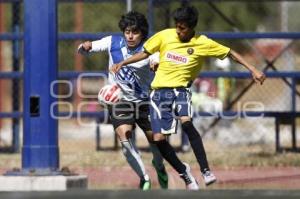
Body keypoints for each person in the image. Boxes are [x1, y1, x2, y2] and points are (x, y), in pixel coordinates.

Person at [111, 6, 266, 190]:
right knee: (159, 139)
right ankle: (184, 171)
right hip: (159, 93)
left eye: (182, 28)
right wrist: (123, 63)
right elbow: (145, 52)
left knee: (186, 122)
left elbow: (230, 53)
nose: (178, 30)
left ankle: (206, 170)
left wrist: (253, 69)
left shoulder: (203, 43)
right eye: (177, 26)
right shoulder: (165, 36)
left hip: (181, 91)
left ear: (192, 27)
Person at [77, 11, 168, 190]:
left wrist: (155, 65)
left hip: (145, 102)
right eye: (127, 32)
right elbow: (87, 47)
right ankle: (144, 178)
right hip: (121, 101)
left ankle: (159, 165)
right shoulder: (113, 42)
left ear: (142, 33)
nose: (130, 36)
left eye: (135, 32)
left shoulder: (150, 49)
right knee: (125, 139)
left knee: (157, 142)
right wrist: (85, 46)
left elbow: (157, 62)